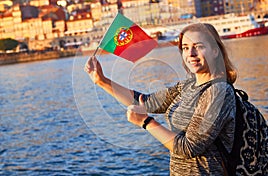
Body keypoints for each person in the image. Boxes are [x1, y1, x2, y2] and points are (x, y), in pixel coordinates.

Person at [84, 23, 237, 175]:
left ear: (215, 51)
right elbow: (145, 102)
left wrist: (146, 122)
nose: (190, 53)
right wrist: (102, 81)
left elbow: (189, 148)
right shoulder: (187, 86)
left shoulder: (218, 92)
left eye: (198, 46)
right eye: (185, 47)